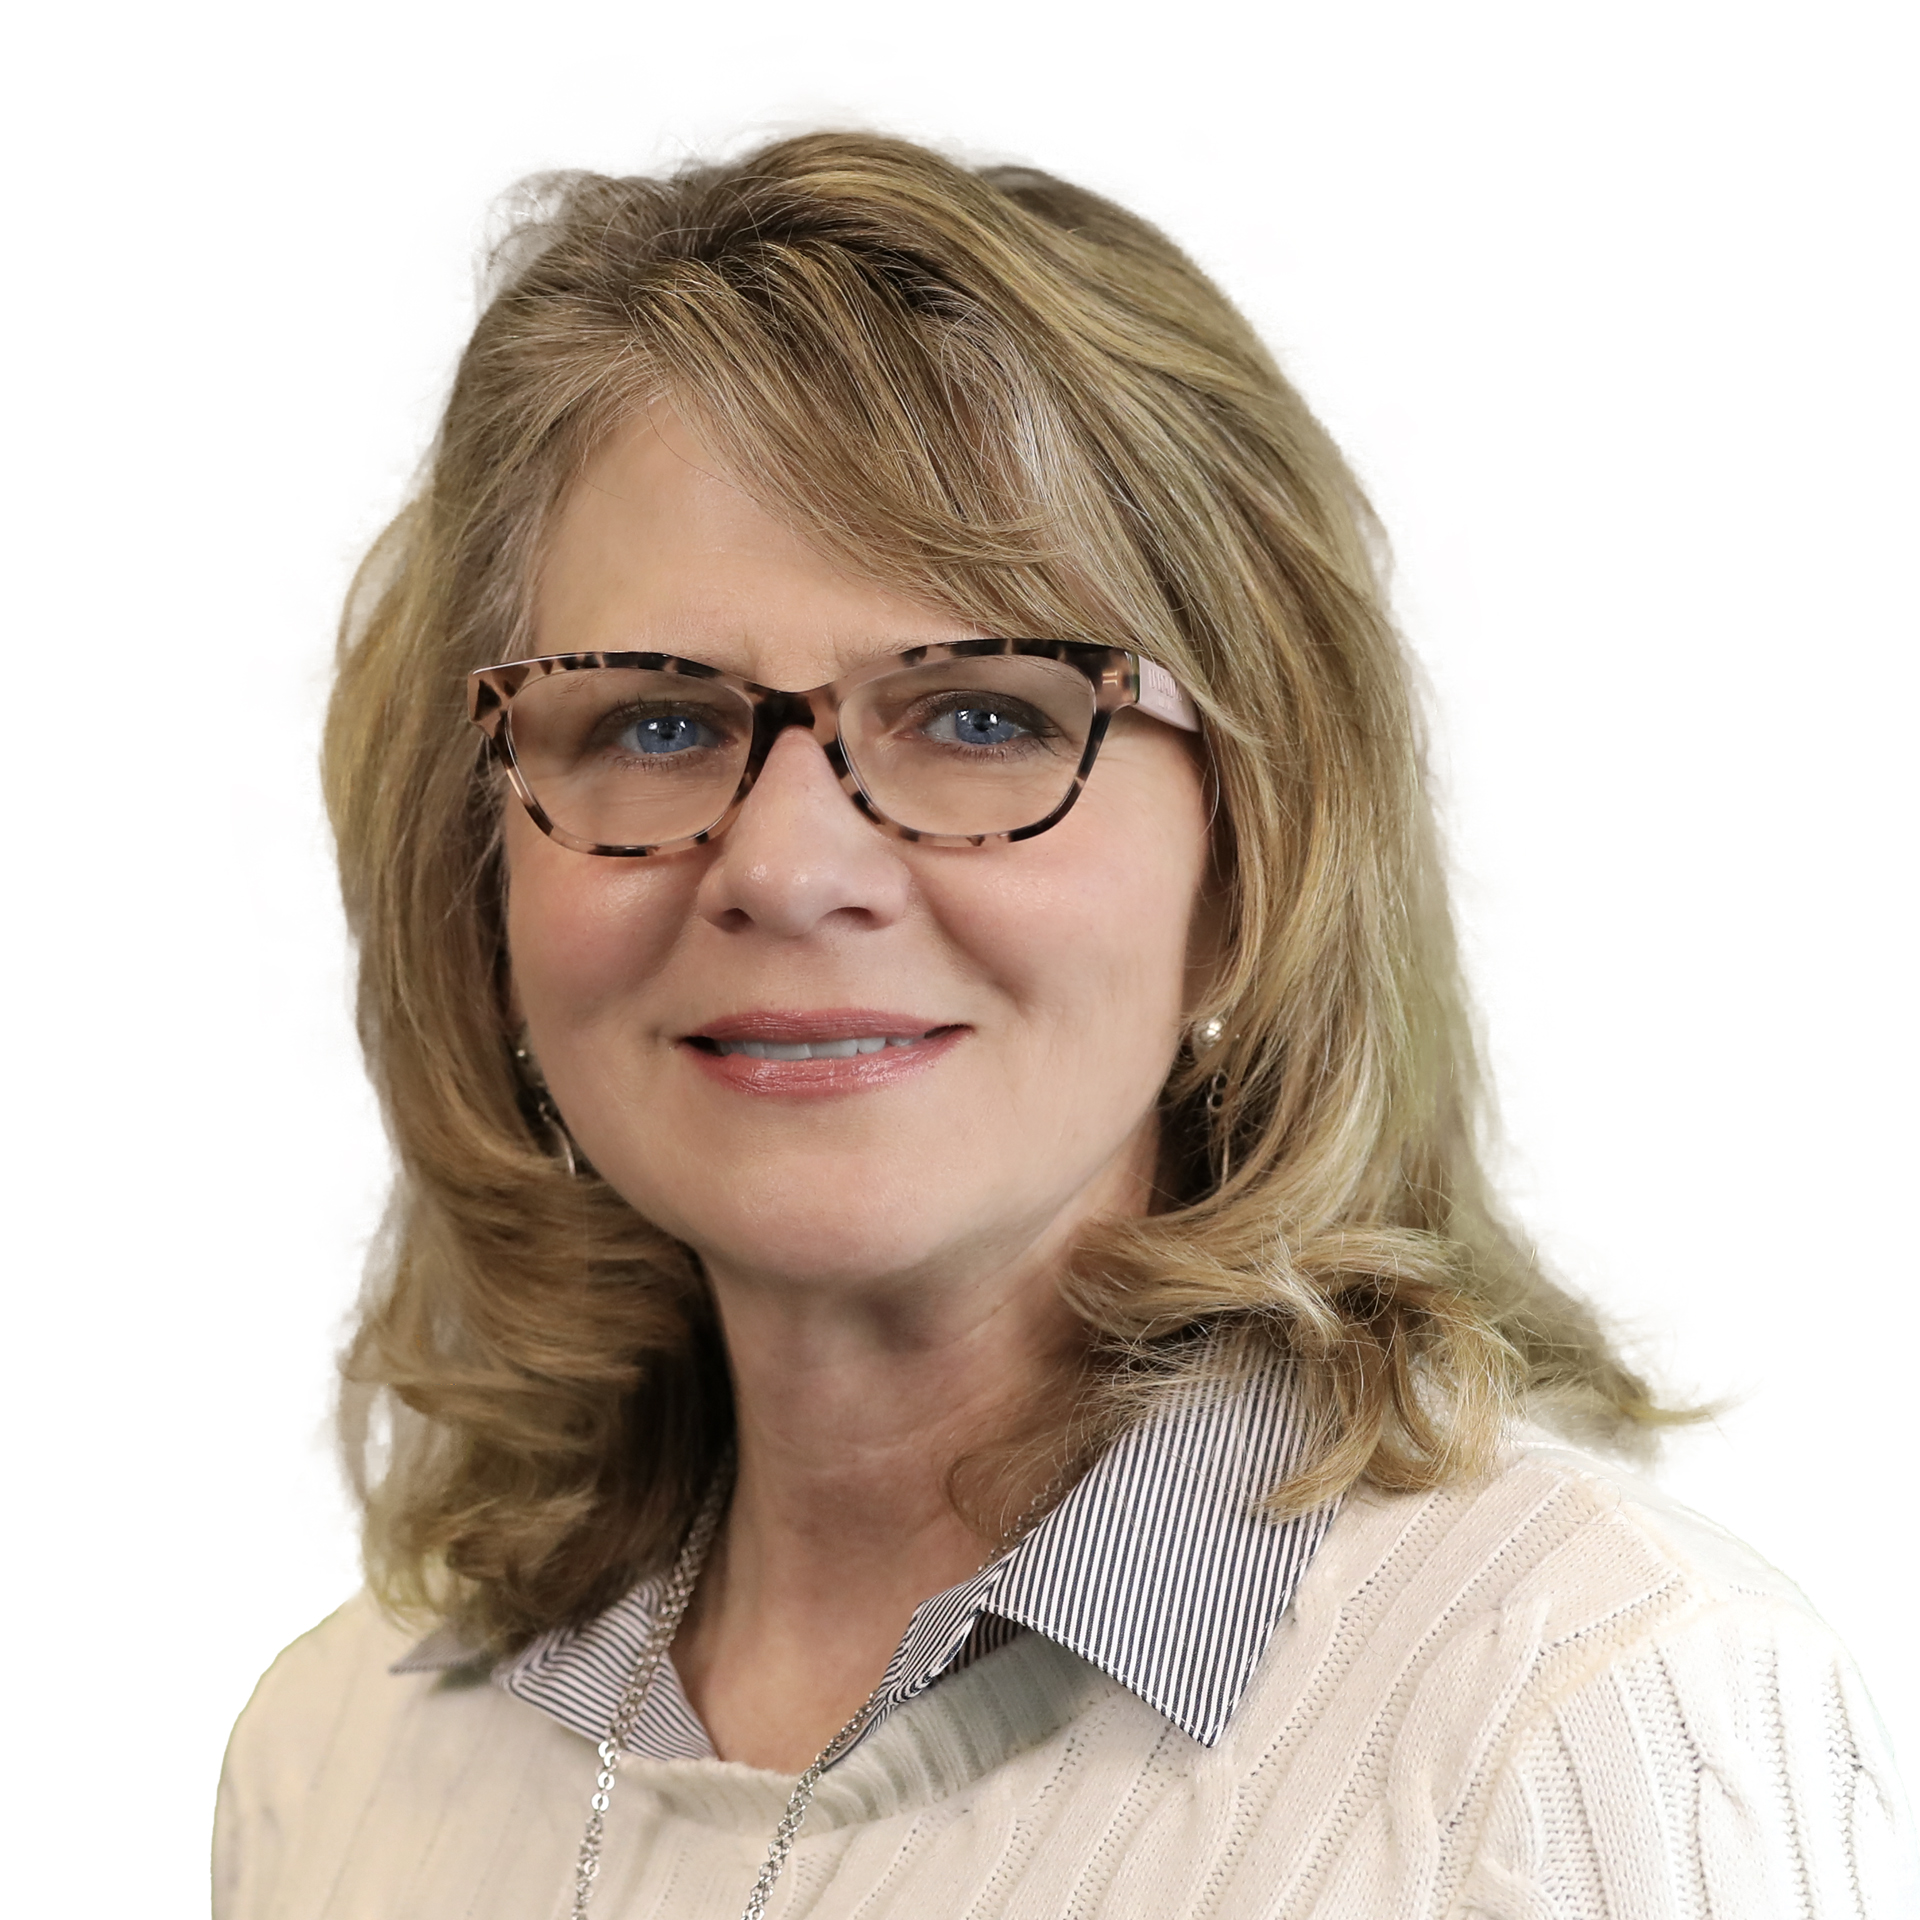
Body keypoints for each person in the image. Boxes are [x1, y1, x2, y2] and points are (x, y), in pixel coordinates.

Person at [214, 132, 1916, 1919]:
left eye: (979, 718)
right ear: (474, 876)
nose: (788, 868)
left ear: (1261, 852)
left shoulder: (1574, 1715)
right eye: (650, 724)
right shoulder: (339, 1758)